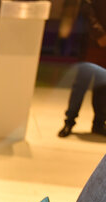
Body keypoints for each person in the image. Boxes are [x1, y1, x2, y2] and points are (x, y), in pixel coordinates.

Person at [58, 0, 106, 137]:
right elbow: (87, 11)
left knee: (103, 87)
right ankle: (69, 121)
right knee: (80, 85)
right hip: (91, 44)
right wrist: (99, 34)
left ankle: (99, 123)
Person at [58, 62, 106, 137]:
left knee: (102, 90)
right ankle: (69, 121)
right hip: (89, 55)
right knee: (79, 88)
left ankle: (99, 124)